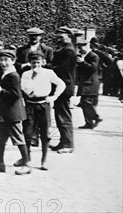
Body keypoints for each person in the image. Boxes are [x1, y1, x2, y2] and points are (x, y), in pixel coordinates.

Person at [0, 49, 30, 175]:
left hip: (13, 113)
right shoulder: (3, 73)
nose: (3, 63)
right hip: (4, 113)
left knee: (18, 138)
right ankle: (0, 163)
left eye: (6, 60)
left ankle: (26, 163)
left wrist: (1, 92)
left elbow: (16, 94)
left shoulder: (14, 75)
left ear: (13, 61)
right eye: (1, 60)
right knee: (0, 138)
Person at [20, 50, 65, 170]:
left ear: (43, 62)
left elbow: (61, 84)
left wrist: (54, 97)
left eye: (38, 62)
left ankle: (44, 160)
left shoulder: (49, 73)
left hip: (44, 105)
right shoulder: (26, 74)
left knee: (45, 133)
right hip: (30, 105)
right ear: (30, 63)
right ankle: (26, 158)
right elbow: (25, 90)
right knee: (28, 132)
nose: (36, 65)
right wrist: (32, 78)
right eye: (34, 63)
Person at [50, 26, 77, 154]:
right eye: (58, 37)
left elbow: (61, 68)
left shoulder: (69, 51)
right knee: (60, 115)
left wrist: (46, 66)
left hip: (64, 87)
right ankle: (63, 142)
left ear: (69, 36)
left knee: (63, 116)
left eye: (61, 37)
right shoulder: (66, 49)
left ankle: (68, 144)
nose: (59, 39)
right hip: (62, 86)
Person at [76, 38, 102, 129]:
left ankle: (95, 117)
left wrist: (83, 62)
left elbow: (93, 68)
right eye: (79, 47)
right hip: (85, 82)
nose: (80, 49)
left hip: (91, 83)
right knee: (84, 103)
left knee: (86, 102)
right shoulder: (82, 56)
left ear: (88, 45)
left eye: (82, 46)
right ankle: (89, 122)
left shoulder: (93, 56)